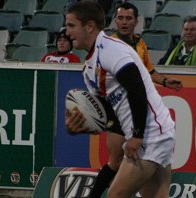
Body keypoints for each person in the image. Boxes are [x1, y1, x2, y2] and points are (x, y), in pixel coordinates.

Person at [65, 1, 176, 198]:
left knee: (115, 195)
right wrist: (82, 125)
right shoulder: (89, 67)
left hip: (151, 134)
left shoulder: (110, 50)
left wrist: (137, 135)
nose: (67, 32)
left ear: (89, 26)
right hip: (155, 131)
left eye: (72, 25)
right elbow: (108, 112)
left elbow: (137, 89)